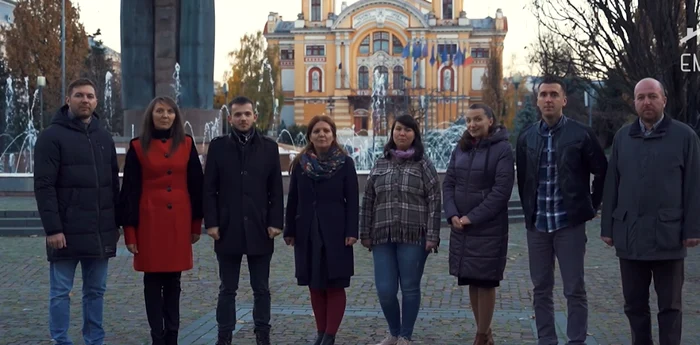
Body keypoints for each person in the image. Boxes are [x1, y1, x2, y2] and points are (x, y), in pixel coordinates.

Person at [601, 77, 700, 345]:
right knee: (634, 306)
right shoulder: (623, 137)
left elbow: (694, 185)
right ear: (634, 102)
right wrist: (608, 228)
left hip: (669, 236)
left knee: (670, 308)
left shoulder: (684, 136)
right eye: (641, 97)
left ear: (664, 100)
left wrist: (693, 229)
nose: (647, 102)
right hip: (630, 237)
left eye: (652, 96)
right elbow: (613, 185)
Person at [515, 75, 608, 345]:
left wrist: (590, 205)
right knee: (541, 289)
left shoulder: (580, 134)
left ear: (564, 100)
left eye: (554, 94)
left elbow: (601, 171)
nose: (548, 99)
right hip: (538, 226)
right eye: (543, 94)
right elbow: (524, 180)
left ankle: (576, 341)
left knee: (574, 289)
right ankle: (547, 340)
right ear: (537, 100)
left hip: (569, 224)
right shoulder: (526, 137)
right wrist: (529, 213)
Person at [33, 78, 121, 345]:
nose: (86, 100)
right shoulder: (51, 137)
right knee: (61, 292)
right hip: (65, 231)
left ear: (96, 102)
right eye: (79, 95)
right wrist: (53, 229)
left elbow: (112, 186)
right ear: (68, 100)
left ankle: (95, 340)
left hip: (99, 231)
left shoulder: (104, 137)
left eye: (90, 96)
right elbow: (44, 186)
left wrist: (114, 225)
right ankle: (61, 340)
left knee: (96, 292)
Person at [117, 96, 204, 345]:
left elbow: (196, 186)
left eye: (169, 111)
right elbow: (130, 192)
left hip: (179, 220)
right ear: (151, 115)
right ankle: (157, 336)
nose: (164, 116)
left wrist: (196, 225)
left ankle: (172, 335)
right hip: (149, 221)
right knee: (152, 281)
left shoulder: (187, 144)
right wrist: (130, 233)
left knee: (174, 281)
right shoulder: (136, 146)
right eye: (159, 111)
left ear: (176, 116)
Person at [203, 96, 284, 345]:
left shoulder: (269, 148)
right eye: (238, 114)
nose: (243, 118)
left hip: (260, 227)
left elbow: (276, 190)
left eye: (247, 114)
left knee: (261, 288)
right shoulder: (218, 147)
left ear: (254, 116)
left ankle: (263, 335)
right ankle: (224, 336)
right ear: (230, 118)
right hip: (227, 228)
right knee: (227, 288)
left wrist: (275, 223)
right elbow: (209, 189)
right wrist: (212, 223)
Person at [360, 114, 442, 345]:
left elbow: (435, 200)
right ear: (392, 132)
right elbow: (368, 200)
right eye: (398, 129)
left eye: (407, 130)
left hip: (414, 236)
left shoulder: (424, 164)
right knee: (385, 290)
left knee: (409, 287)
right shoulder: (380, 162)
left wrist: (433, 237)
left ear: (415, 134)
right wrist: (365, 232)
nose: (402, 134)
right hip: (382, 236)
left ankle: (405, 335)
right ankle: (393, 332)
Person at [283, 115, 359, 345]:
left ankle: (330, 334)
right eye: (317, 131)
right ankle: (320, 331)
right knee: (315, 284)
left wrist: (352, 231)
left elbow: (353, 200)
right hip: (307, 230)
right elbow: (293, 198)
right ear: (310, 136)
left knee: (335, 283)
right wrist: (289, 229)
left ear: (333, 135)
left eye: (326, 130)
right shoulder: (300, 163)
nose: (322, 134)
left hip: (336, 231)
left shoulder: (345, 163)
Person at [443, 104, 515, 345]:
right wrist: (452, 213)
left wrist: (472, 217)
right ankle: (484, 331)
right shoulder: (461, 148)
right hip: (462, 226)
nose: (472, 125)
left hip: (487, 228)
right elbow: (449, 182)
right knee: (472, 280)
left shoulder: (502, 149)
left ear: (490, 120)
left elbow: (501, 191)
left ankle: (481, 336)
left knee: (485, 281)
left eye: (477, 119)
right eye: (468, 120)